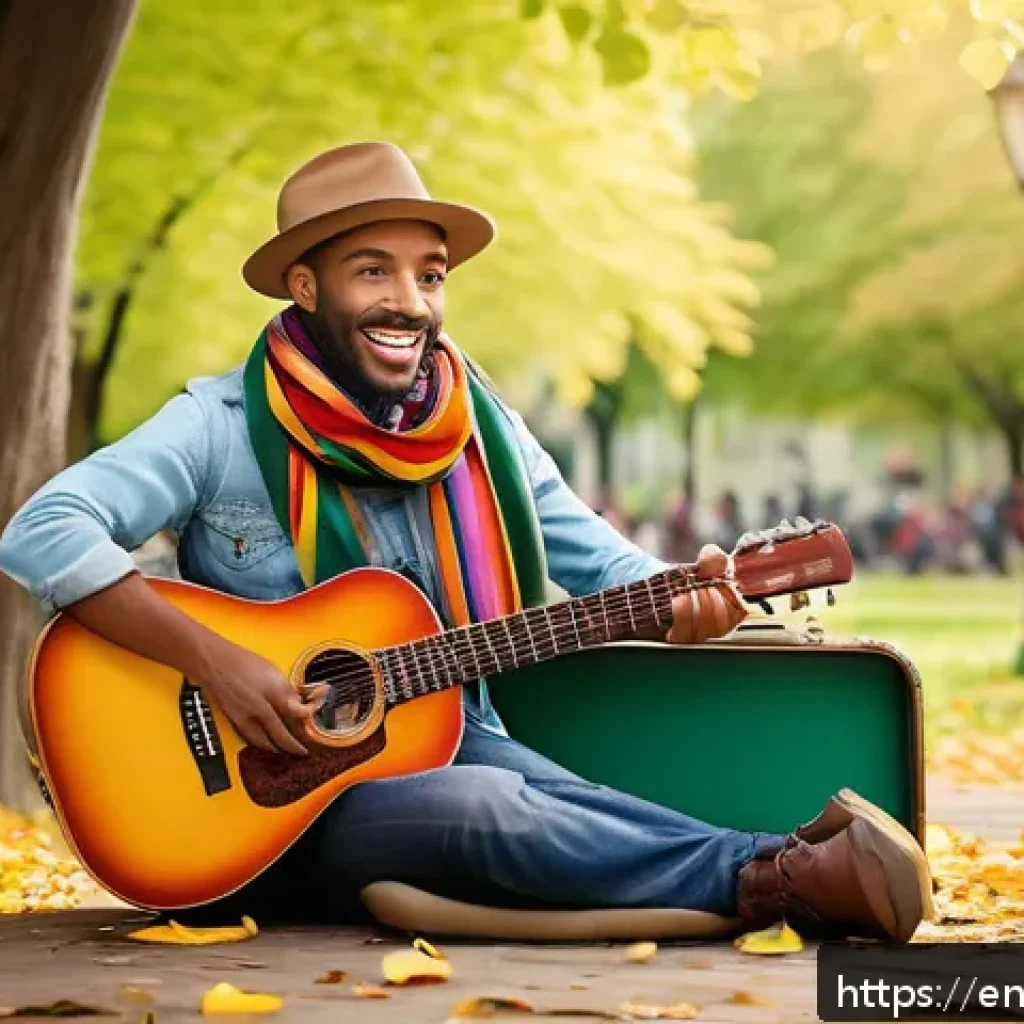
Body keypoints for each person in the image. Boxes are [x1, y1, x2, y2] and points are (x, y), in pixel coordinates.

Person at [0, 142, 932, 940]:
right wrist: (218, 665)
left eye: (430, 274)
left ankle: (788, 871)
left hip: (451, 743)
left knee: (533, 794)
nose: (409, 300)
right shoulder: (218, 424)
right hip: (248, 824)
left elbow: (610, 568)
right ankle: (784, 878)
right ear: (304, 284)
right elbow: (41, 529)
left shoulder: (483, 436)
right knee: (485, 806)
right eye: (373, 270)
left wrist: (692, 599)